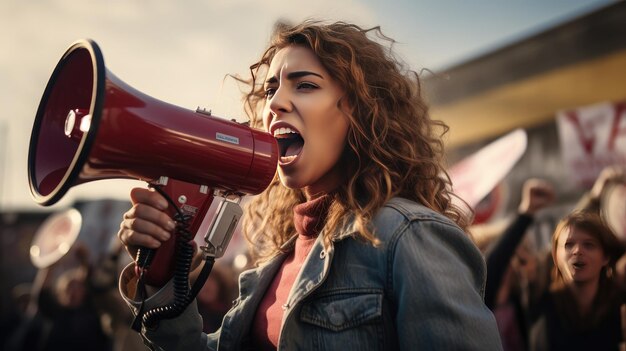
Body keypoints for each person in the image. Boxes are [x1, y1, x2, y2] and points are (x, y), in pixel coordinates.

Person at [117, 20, 503, 350]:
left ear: (360, 110)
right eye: (270, 90)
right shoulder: (277, 260)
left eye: (304, 86)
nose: (275, 104)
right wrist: (163, 274)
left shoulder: (408, 235)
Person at [528, 211, 626, 351]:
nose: (578, 250)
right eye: (568, 245)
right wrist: (527, 211)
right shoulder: (542, 304)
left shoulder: (620, 305)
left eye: (589, 245)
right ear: (556, 256)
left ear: (605, 257)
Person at [483, 178, 556, 351]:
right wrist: (526, 212)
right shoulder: (482, 293)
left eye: (526, 252)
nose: (521, 258)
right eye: (515, 252)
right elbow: (497, 261)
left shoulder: (529, 294)